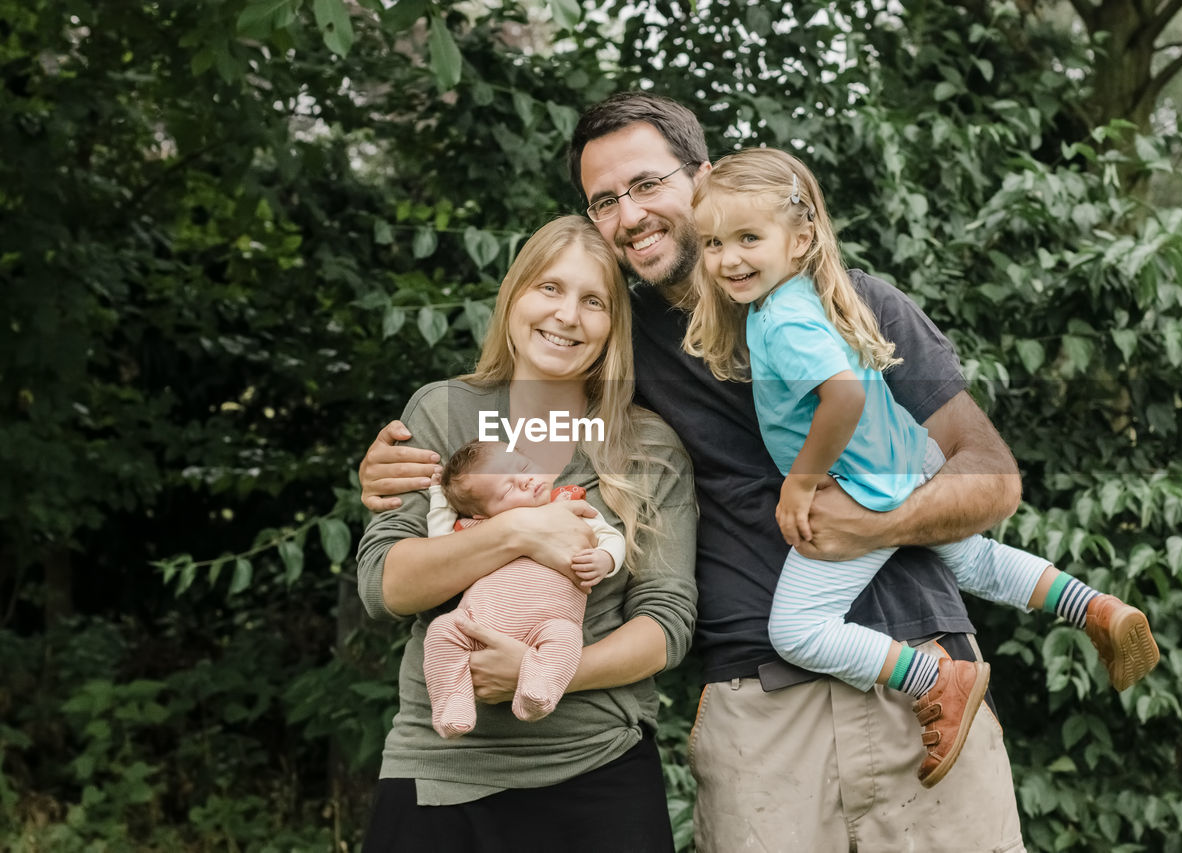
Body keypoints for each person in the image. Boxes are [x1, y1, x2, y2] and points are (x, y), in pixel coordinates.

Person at [356, 92, 1083, 850]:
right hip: (760, 703)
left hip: (927, 679)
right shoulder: (621, 345)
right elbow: (525, 402)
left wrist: (874, 524)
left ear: (701, 176)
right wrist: (420, 470)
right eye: (603, 200)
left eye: (645, 184)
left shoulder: (851, 304)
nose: (628, 214)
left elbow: (993, 479)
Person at [680, 146, 1159, 787]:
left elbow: (843, 396)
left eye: (747, 238)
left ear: (799, 241)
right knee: (977, 560)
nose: (727, 258)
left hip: (867, 485)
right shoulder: (811, 295)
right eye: (711, 242)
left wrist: (800, 481)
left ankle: (934, 677)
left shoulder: (782, 320)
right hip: (912, 457)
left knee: (796, 629)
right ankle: (1096, 609)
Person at [355, 214, 697, 852]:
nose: (567, 315)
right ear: (513, 296)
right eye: (549, 288)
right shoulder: (443, 411)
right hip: (440, 771)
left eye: (593, 300)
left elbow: (667, 623)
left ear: (613, 325)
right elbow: (385, 586)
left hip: (598, 772)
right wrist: (518, 532)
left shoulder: (647, 446)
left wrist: (544, 673)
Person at [422, 439, 626, 739]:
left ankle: (539, 690)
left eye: (524, 466)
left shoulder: (570, 508)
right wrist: (440, 495)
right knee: (441, 632)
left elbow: (611, 537)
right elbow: (440, 546)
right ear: (482, 514)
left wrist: (605, 559)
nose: (526, 480)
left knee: (567, 638)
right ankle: (452, 701)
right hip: (475, 623)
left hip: (548, 626)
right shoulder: (482, 531)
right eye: (508, 489)